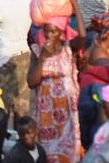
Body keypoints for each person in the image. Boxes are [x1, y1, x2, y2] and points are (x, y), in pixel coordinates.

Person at [27, 19, 80, 163]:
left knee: (71, 149)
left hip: (68, 108)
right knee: (49, 150)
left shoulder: (69, 48)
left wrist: (75, 5)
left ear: (61, 32)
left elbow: (83, 36)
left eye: (53, 31)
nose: (49, 35)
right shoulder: (38, 51)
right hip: (47, 111)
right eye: (46, 31)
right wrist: (42, 58)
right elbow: (31, 82)